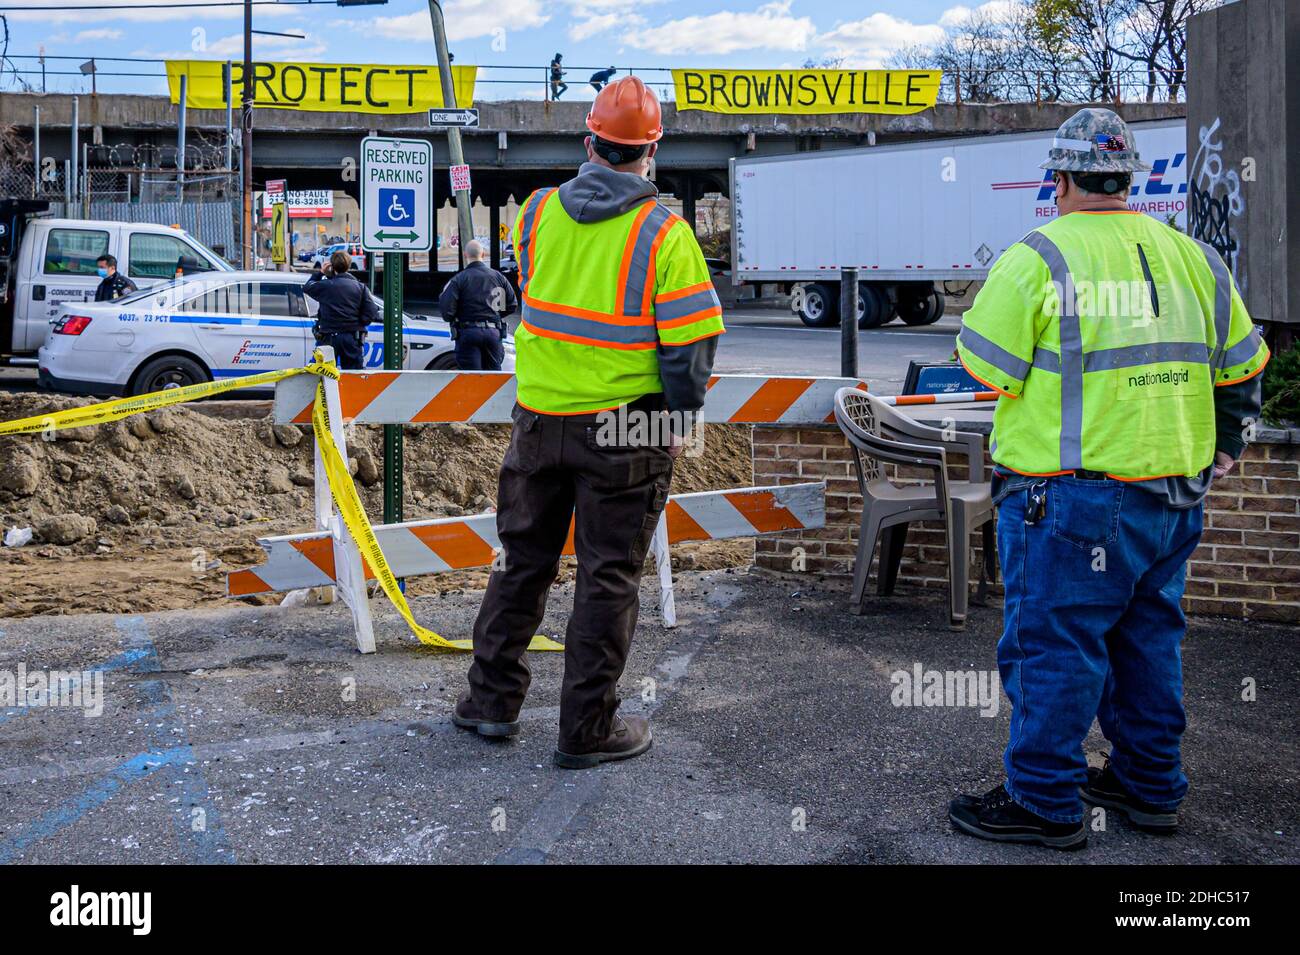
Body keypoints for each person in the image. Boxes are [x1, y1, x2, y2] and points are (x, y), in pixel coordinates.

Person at [948, 108, 1270, 850]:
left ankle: (1043, 800)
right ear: (1127, 179)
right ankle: (1148, 783)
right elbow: (1245, 368)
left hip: (1067, 497)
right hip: (1173, 495)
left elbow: (984, 364)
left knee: (1054, 645)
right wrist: (1222, 451)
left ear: (1058, 180)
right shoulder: (1196, 256)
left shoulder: (1037, 257)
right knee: (1149, 640)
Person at [452, 76, 725, 769]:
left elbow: (539, 294)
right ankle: (586, 730)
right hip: (625, 432)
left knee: (521, 561)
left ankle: (489, 702)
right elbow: (690, 354)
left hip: (539, 422)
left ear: (589, 143)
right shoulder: (666, 233)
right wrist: (676, 419)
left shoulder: (537, 213)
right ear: (651, 151)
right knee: (607, 577)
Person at [437, 239, 515, 370]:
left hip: (468, 333)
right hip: (493, 333)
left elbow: (447, 312)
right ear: (483, 254)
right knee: (493, 380)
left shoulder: (458, 279)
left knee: (472, 379)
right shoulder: (499, 277)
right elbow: (512, 304)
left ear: (465, 255)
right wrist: (494, 315)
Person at [303, 249, 379, 370]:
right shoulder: (360, 287)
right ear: (348, 265)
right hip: (352, 337)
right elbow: (371, 312)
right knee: (353, 375)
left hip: (328, 337)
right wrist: (358, 323)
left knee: (324, 374)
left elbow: (308, 287)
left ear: (332, 266)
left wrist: (321, 272)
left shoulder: (326, 286)